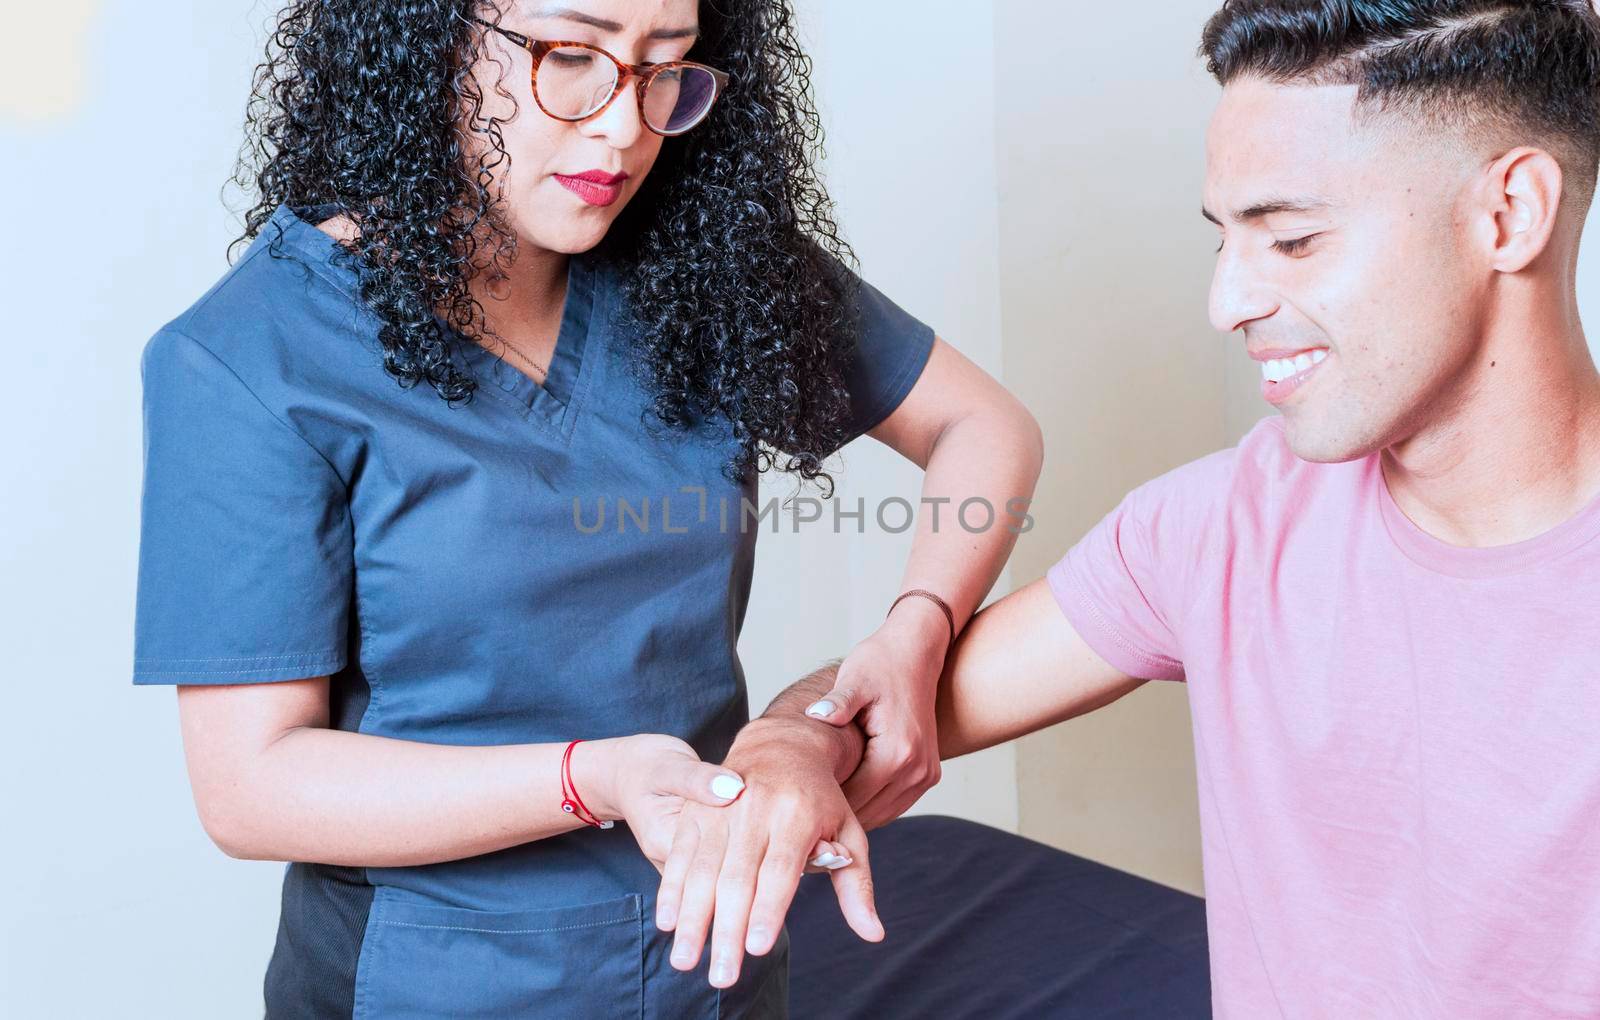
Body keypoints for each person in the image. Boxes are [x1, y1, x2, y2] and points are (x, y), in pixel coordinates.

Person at [662, 1, 1600, 1015]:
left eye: (1291, 241)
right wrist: (789, 748)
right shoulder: (1225, 527)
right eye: (1224, 242)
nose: (1227, 302)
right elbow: (878, 709)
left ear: (1509, 213)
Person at [130, 0, 1042, 1015]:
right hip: (434, 982)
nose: (623, 124)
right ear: (423, 41)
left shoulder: (703, 265)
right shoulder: (252, 357)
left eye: (666, 68)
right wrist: (596, 779)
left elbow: (984, 428)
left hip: (713, 954)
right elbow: (250, 789)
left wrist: (917, 631)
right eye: (572, 57)